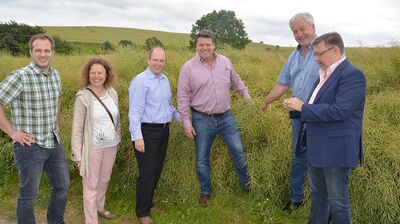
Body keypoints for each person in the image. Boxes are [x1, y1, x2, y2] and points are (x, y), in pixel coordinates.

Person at [283, 32, 366, 224]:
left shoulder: (352, 74)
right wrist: (296, 109)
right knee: (318, 196)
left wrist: (303, 107)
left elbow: (340, 111)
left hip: (336, 151)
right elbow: (317, 106)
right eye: (315, 53)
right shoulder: (324, 74)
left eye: (319, 53)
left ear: (335, 50)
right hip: (317, 148)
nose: (316, 57)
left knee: (338, 202)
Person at [177, 30, 252, 207]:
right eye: (201, 44)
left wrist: (246, 96)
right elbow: (182, 97)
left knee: (239, 151)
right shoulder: (188, 67)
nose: (205, 48)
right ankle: (205, 191)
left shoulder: (225, 62)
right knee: (202, 157)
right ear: (196, 46)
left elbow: (236, 81)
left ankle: (248, 186)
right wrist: (186, 123)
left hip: (226, 118)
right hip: (202, 119)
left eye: (208, 44)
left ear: (214, 45)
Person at [0, 34, 70, 224]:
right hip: (30, 146)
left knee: (62, 185)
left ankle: (56, 221)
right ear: (30, 51)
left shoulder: (55, 75)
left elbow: (58, 99)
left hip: (53, 141)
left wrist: (55, 124)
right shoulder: (20, 76)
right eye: (38, 50)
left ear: (52, 52)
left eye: (47, 50)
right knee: (29, 194)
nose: (43, 54)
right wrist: (12, 132)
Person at [260, 12, 320, 212]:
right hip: (298, 118)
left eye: (303, 29)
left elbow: (338, 80)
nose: (299, 34)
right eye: (295, 31)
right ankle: (296, 199)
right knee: (298, 158)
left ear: (313, 28)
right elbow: (283, 84)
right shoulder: (293, 57)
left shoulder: (324, 50)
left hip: (321, 117)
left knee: (321, 159)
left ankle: (322, 204)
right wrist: (266, 101)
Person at [129, 47, 180, 224]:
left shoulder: (164, 80)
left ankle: (148, 204)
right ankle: (142, 213)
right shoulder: (140, 81)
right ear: (148, 60)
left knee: (156, 170)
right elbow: (134, 111)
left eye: (162, 60)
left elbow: (168, 107)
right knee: (147, 173)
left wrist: (183, 119)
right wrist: (137, 137)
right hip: (146, 132)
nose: (158, 63)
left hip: (163, 130)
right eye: (155, 60)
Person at [71, 58, 120, 224]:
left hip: (111, 147)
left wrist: (117, 139)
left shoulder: (112, 93)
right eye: (93, 73)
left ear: (107, 74)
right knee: (91, 185)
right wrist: (77, 155)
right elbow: (77, 129)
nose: (96, 76)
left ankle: (100, 208)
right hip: (92, 149)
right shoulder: (83, 97)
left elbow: (117, 120)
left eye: (100, 72)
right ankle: (91, 220)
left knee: (104, 180)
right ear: (88, 74)